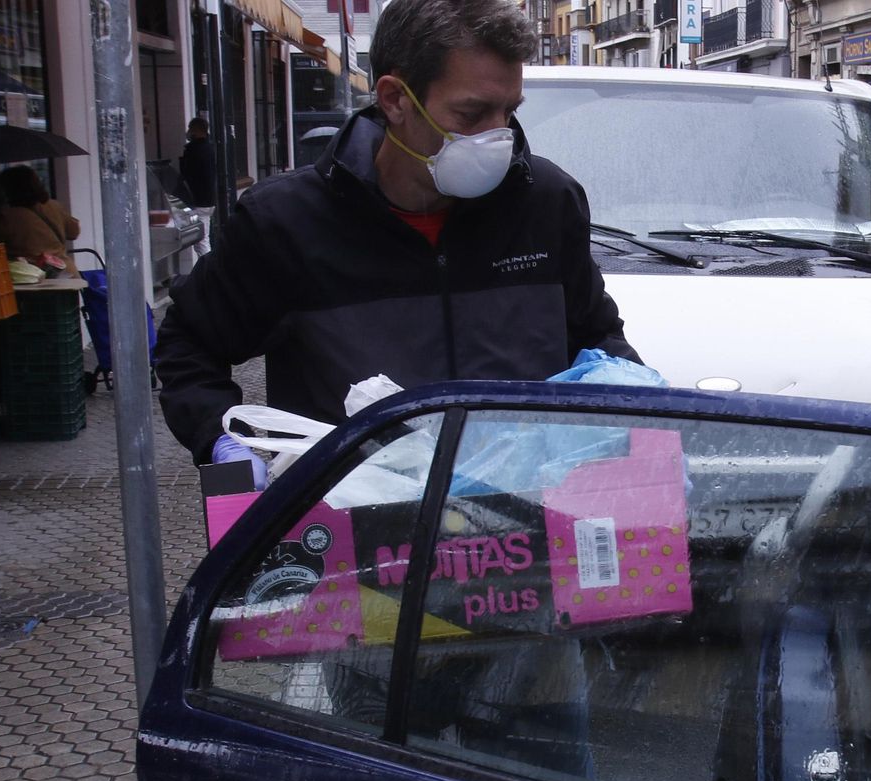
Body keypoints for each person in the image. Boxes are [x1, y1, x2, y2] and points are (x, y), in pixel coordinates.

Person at [155, 0, 637, 489]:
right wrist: (223, 439)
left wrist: (635, 407)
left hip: (527, 529)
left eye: (508, 111)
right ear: (394, 99)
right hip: (359, 539)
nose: (499, 137)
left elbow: (597, 338)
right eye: (472, 114)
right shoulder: (286, 223)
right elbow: (188, 344)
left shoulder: (546, 202)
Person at [0, 166, 80, 275]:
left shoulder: (6, 217)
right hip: (66, 273)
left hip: (34, 279)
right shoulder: (53, 206)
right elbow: (74, 233)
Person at [178, 116, 216, 255]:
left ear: (196, 130)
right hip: (207, 200)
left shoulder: (195, 150)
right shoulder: (209, 147)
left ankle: (208, 271)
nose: (188, 132)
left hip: (198, 201)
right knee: (202, 238)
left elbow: (188, 173)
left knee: (201, 241)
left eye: (191, 129)